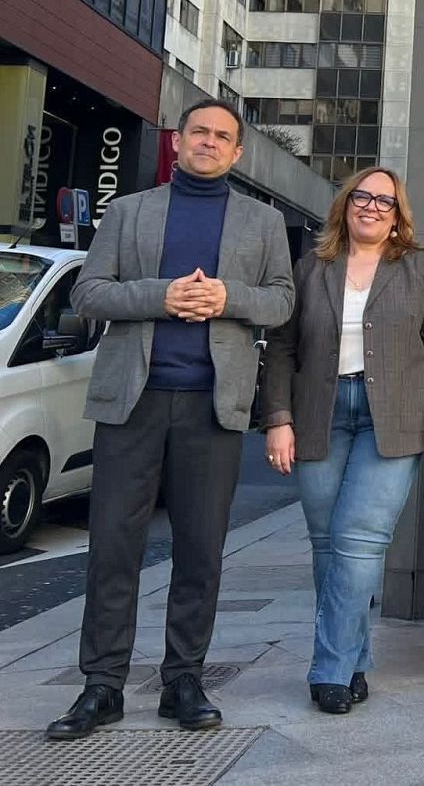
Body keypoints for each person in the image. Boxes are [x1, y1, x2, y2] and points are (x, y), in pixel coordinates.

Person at [46, 100, 294, 739]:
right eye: (199, 132)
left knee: (201, 549)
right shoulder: (129, 211)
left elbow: (281, 301)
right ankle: (101, 685)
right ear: (178, 142)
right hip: (133, 401)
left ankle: (183, 678)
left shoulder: (262, 222)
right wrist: (162, 296)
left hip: (213, 407)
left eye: (222, 137)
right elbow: (88, 292)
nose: (209, 143)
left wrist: (226, 298)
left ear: (238, 153)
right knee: (112, 548)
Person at [259, 167, 424, 714]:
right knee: (328, 545)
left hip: (392, 419)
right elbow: (280, 348)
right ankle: (353, 661)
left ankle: (327, 670)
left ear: (398, 218)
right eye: (363, 197)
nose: (372, 207)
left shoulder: (421, 268)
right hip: (317, 415)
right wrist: (277, 418)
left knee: (358, 540)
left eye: (385, 202)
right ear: (346, 205)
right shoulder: (311, 269)